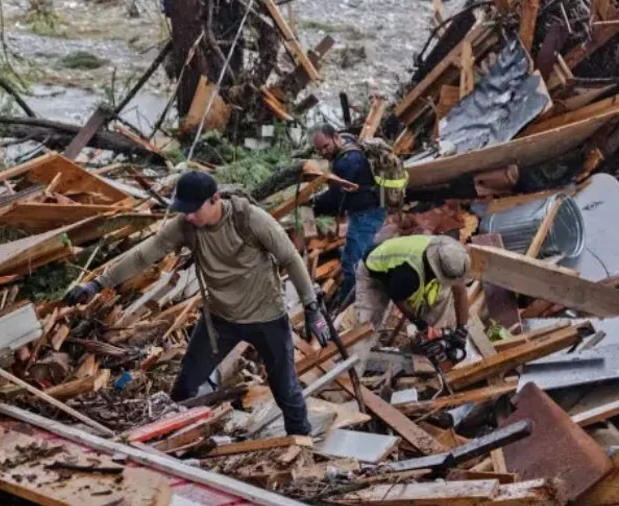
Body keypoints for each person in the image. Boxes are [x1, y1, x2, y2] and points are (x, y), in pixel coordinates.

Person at [67, 171, 331, 437]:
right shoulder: (186, 225)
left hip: (266, 317)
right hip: (220, 320)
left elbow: (290, 259)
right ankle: (177, 441)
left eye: (194, 209)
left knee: (286, 389)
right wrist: (96, 285)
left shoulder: (249, 219)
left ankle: (300, 443)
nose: (189, 216)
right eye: (184, 210)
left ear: (215, 199)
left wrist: (311, 308)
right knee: (185, 385)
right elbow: (143, 256)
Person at [311, 124, 386, 313]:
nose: (323, 152)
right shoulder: (349, 143)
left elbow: (335, 198)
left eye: (326, 146)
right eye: (319, 150)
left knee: (352, 264)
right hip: (370, 210)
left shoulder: (346, 162)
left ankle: (348, 308)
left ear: (336, 137)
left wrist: (312, 205)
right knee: (361, 256)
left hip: (365, 215)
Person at [356, 235, 471, 358]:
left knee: (442, 296)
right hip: (375, 270)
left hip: (406, 274)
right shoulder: (409, 273)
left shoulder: (450, 256)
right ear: (437, 269)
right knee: (366, 328)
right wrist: (421, 324)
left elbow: (460, 292)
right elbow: (399, 298)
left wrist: (461, 329)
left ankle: (428, 354)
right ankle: (353, 370)